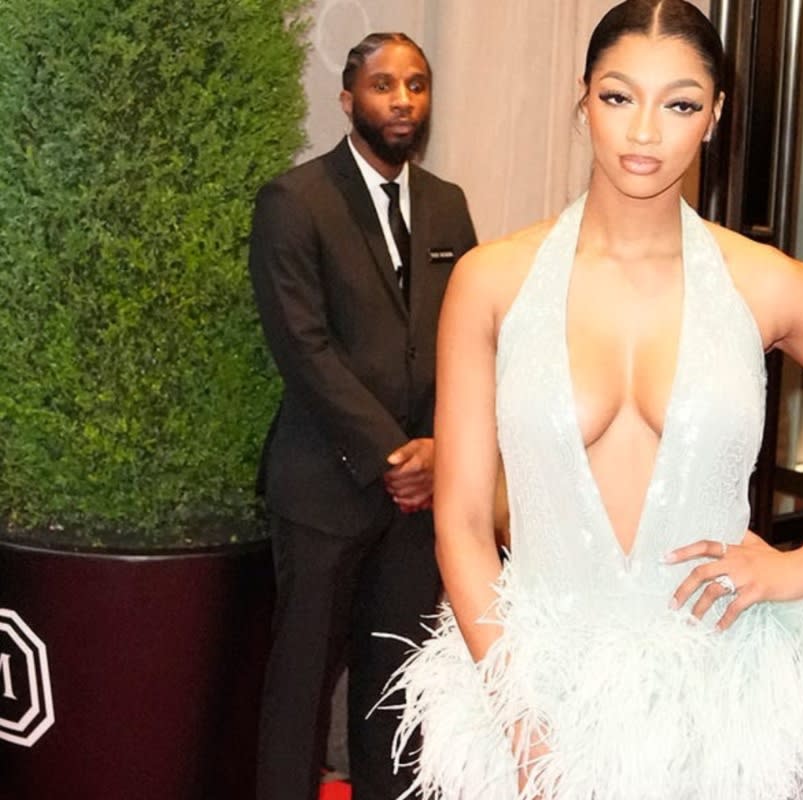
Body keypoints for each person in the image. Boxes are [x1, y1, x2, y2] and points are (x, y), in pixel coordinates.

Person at [386, 2, 803, 798]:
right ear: (583, 96)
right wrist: (520, 718)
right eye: (620, 96)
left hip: (725, 694)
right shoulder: (493, 281)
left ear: (716, 115)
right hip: (534, 685)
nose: (643, 133)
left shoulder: (765, 283)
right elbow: (459, 522)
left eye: (681, 103)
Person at [248, 32, 477, 800]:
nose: (402, 100)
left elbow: (470, 339)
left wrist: (443, 449)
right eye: (384, 85)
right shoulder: (294, 201)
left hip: (417, 505)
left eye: (416, 84)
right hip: (325, 490)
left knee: (397, 686)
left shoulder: (448, 205)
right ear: (349, 100)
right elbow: (302, 346)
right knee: (301, 689)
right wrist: (392, 456)